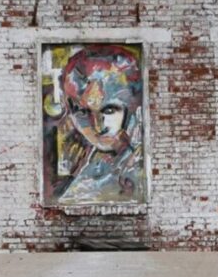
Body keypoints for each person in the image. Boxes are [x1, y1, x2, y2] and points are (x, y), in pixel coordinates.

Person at [47, 45, 145, 204]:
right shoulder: (91, 159)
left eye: (109, 110)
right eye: (83, 112)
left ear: (132, 106)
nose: (98, 128)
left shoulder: (139, 167)